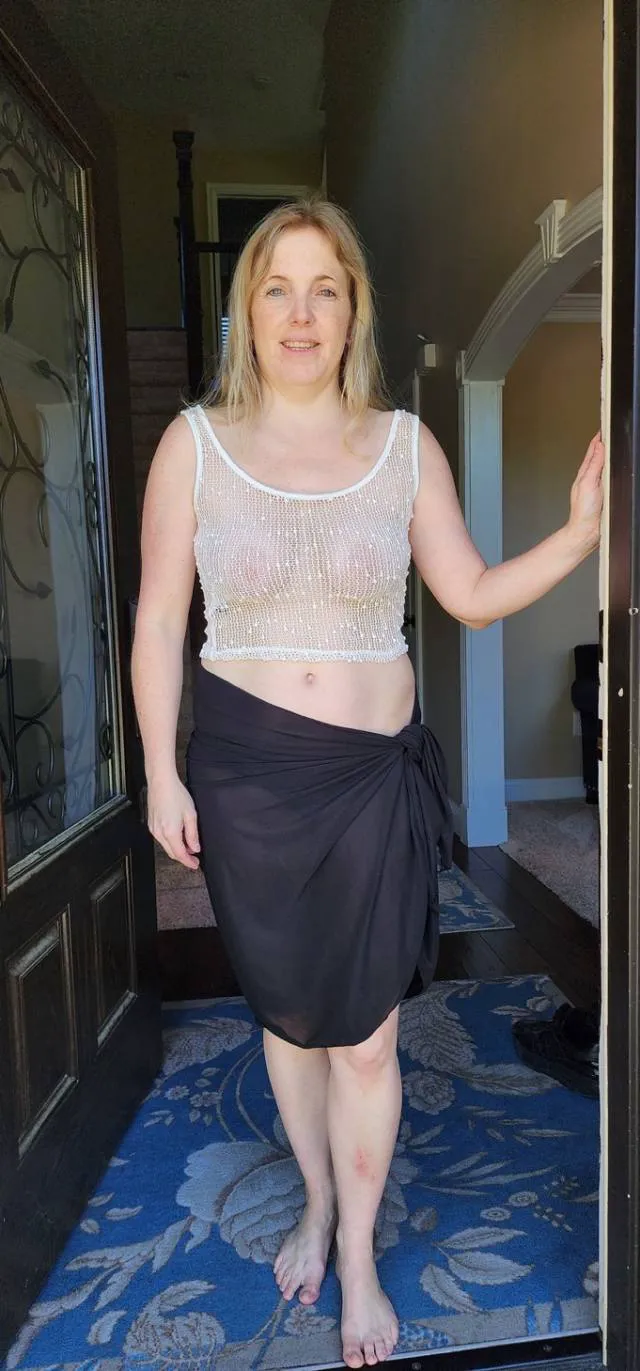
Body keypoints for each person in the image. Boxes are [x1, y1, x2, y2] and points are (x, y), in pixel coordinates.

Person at [131, 196, 604, 1369]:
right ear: (248, 310)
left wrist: (576, 535)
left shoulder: (403, 447)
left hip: (368, 785)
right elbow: (156, 623)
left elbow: (469, 594)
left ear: (353, 314)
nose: (301, 313)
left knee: (368, 1041)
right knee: (289, 1023)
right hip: (245, 781)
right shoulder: (193, 445)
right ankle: (318, 1202)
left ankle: (355, 1262)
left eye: (325, 290)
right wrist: (158, 773)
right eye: (278, 289)